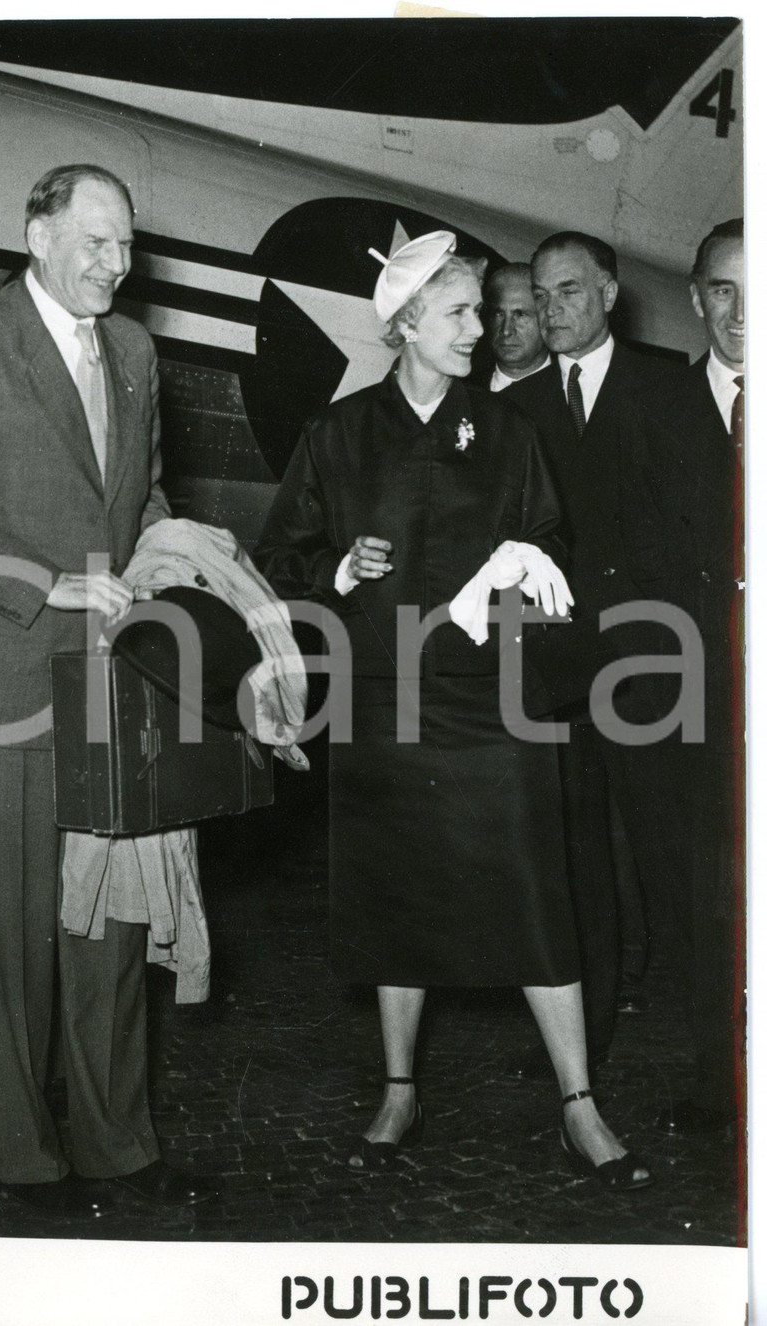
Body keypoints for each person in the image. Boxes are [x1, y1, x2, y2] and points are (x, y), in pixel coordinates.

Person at [256, 230, 651, 1190]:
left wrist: (526, 568)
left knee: (533, 895)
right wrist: (338, 569)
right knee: (398, 899)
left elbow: (552, 542)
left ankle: (578, 1101)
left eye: (481, 310)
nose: (486, 328)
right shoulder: (338, 437)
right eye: (463, 313)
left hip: (496, 704)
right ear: (406, 326)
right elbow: (282, 561)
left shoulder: (513, 434)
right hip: (385, 704)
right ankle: (399, 1089)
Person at [0, 164, 213, 1212]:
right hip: (5, 675)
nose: (116, 265)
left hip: (114, 680)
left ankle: (119, 1140)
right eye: (93, 242)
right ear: (34, 235)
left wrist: (169, 563)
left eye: (126, 245)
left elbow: (144, 491)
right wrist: (55, 585)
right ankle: (21, 1153)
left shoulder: (131, 348)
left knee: (110, 920)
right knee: (10, 928)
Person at [505, 232, 692, 1082]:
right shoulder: (522, 409)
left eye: (570, 292)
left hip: (656, 668)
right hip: (564, 677)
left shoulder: (666, 387)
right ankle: (591, 1052)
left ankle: (708, 1060)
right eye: (541, 297)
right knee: (581, 873)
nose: (552, 313)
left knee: (669, 858)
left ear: (611, 293)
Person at [621, 218, 745, 1136]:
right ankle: (721, 1076)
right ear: (696, 298)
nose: (743, 313)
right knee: (702, 893)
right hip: (688, 703)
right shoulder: (653, 409)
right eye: (725, 291)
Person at [483, 262, 550, 391]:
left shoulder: (571, 395)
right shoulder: (460, 393)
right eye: (498, 314)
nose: (506, 330)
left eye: (520, 315)